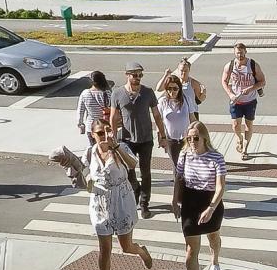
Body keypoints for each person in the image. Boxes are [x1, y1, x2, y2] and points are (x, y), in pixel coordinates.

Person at [84, 119, 153, 270]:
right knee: (104, 248)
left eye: (108, 130)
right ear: (93, 135)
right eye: (100, 133)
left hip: (121, 199)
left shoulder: (120, 148)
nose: (105, 135)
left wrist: (116, 147)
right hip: (100, 203)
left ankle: (141, 251)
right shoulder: (89, 152)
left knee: (126, 247)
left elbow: (132, 164)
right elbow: (85, 172)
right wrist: (86, 179)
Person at [110, 61, 169, 219]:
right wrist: (113, 138)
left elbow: (157, 115)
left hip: (145, 139)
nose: (138, 78)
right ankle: (135, 190)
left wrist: (162, 136)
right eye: (135, 75)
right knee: (129, 172)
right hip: (127, 140)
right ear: (127, 75)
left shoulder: (148, 92)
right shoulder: (117, 93)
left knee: (146, 172)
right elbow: (114, 117)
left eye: (140, 75)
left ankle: (144, 204)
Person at [172, 121, 226, 270]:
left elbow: (220, 187)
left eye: (196, 138)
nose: (192, 142)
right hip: (190, 201)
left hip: (210, 200)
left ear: (204, 138)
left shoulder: (216, 157)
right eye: (189, 139)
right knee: (191, 249)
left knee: (213, 237)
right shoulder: (185, 154)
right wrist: (174, 200)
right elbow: (178, 178)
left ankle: (215, 260)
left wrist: (211, 208)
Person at [220, 43, 265, 161]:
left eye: (241, 52)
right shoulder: (229, 66)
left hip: (250, 101)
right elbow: (224, 81)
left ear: (245, 51)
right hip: (236, 101)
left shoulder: (253, 65)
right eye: (237, 53)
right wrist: (230, 94)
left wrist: (250, 89)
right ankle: (239, 138)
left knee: (249, 125)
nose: (239, 55)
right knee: (235, 125)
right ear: (234, 53)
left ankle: (245, 149)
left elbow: (262, 81)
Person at [155, 74, 198, 170]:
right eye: (169, 88)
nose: (172, 91)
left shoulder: (186, 100)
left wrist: (198, 134)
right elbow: (159, 122)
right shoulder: (162, 102)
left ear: (179, 88)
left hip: (186, 140)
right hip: (171, 141)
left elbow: (192, 118)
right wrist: (161, 138)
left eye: (175, 88)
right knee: (177, 166)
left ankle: (186, 184)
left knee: (188, 166)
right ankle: (177, 184)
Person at [77, 71, 111, 146]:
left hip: (91, 127)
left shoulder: (85, 93)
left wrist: (80, 124)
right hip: (105, 126)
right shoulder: (107, 93)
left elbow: (80, 111)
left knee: (94, 150)